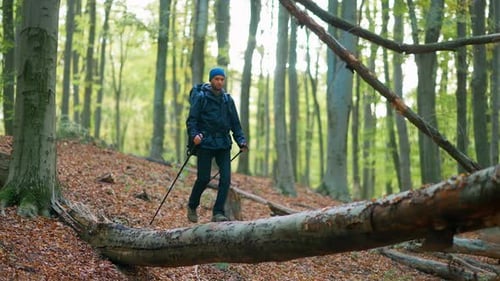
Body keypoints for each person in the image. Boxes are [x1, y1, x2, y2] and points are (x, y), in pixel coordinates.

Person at [186, 67, 248, 223]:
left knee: (226, 179)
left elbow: (235, 124)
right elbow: (192, 120)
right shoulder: (201, 98)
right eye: (216, 79)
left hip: (223, 143)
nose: (219, 82)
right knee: (203, 178)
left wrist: (241, 141)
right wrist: (195, 135)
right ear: (211, 80)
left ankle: (218, 212)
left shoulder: (228, 100)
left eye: (222, 79)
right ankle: (192, 206)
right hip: (205, 143)